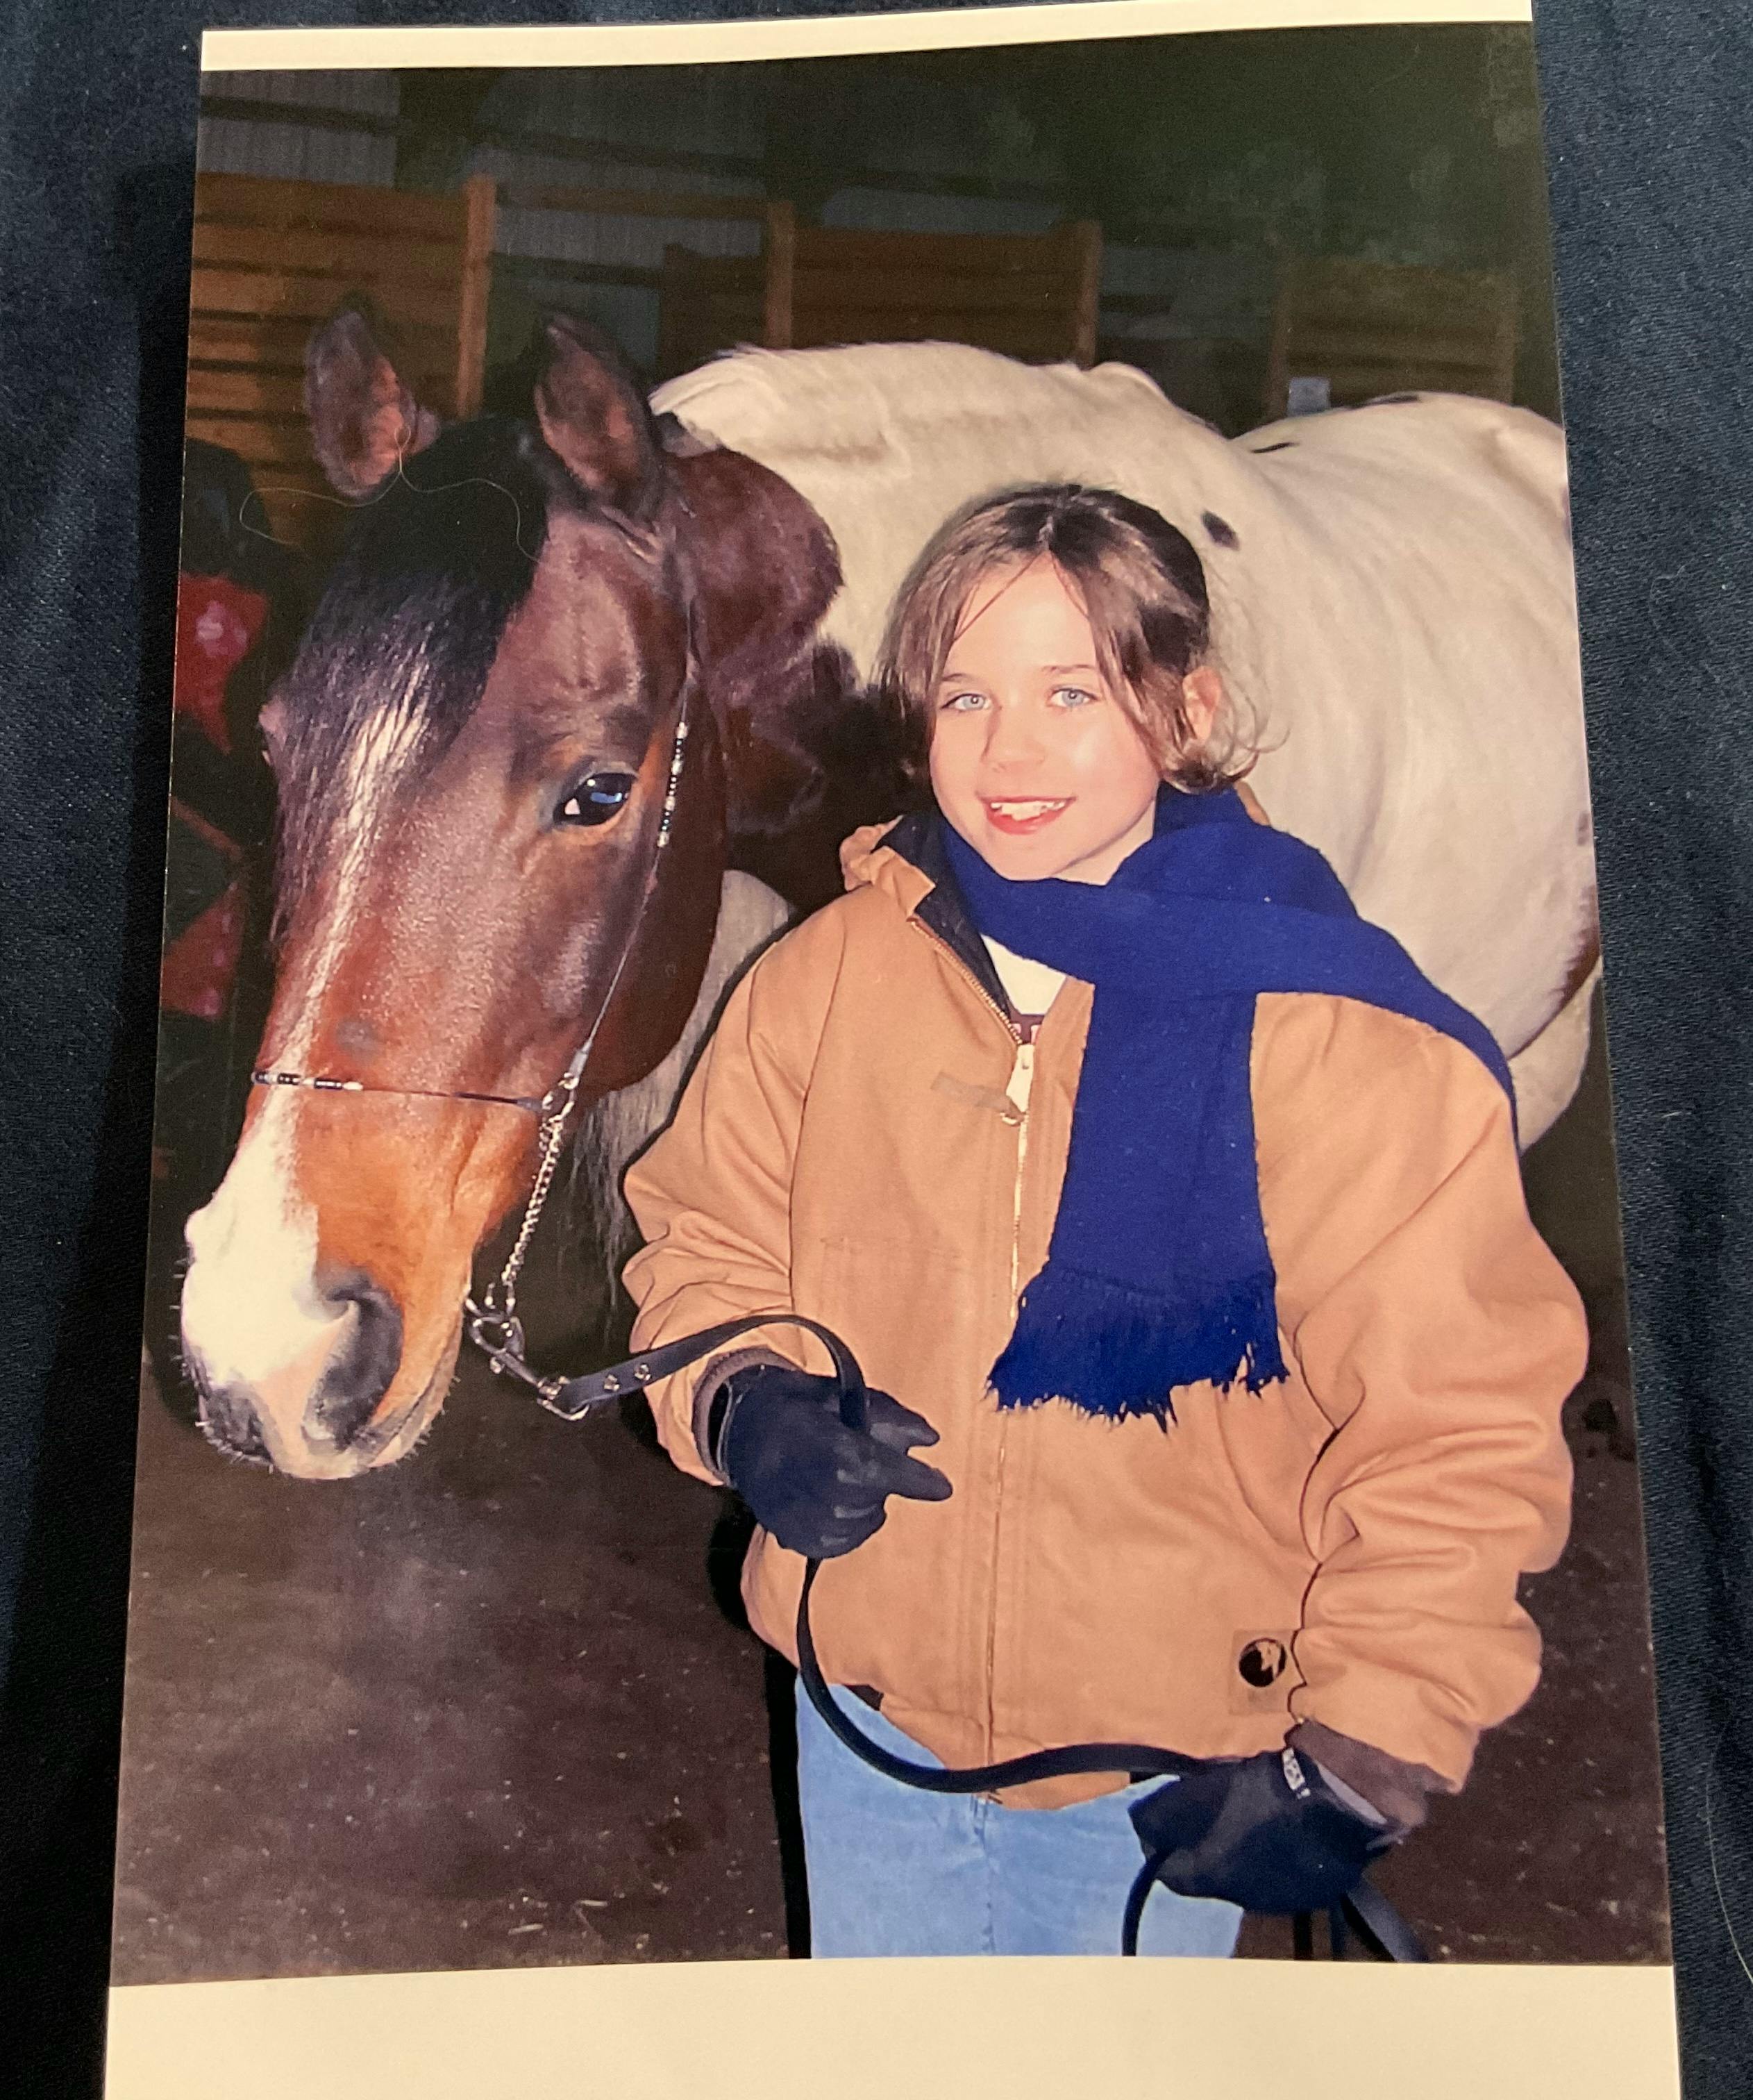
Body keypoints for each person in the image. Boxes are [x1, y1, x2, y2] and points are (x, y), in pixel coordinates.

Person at [621, 483, 1585, 1958]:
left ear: (1187, 709)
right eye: (966, 696)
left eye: (1070, 693)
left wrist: (1365, 1749)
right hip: (868, 1730)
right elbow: (703, 1240)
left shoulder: (1340, 1034)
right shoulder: (827, 979)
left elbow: (1456, 1424)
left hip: (1171, 1773)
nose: (1007, 753)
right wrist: (742, 1397)